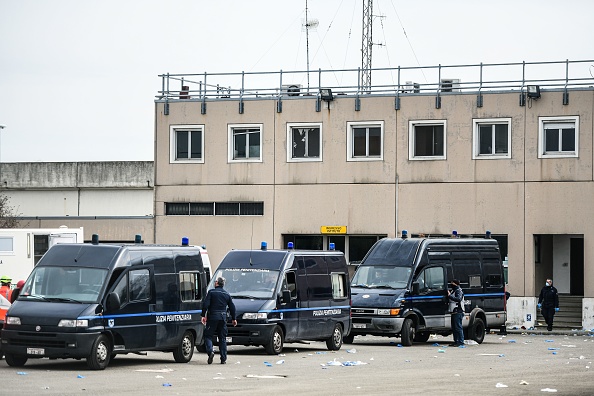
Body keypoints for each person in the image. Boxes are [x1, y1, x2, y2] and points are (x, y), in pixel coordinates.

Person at [201, 276, 237, 364]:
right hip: (223, 318)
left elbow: (206, 304)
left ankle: (210, 351)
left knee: (208, 335)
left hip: (213, 317)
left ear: (216, 283)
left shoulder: (211, 292)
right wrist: (234, 318)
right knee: (222, 338)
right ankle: (223, 358)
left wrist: (203, 315)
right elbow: (232, 307)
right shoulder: (226, 294)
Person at [448, 279, 465, 347]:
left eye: (452, 283)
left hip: (458, 311)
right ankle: (456, 341)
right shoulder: (453, 290)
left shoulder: (458, 291)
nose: (451, 284)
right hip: (453, 311)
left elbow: (458, 299)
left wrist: (450, 296)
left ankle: (460, 341)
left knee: (458, 327)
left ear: (456, 284)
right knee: (454, 328)